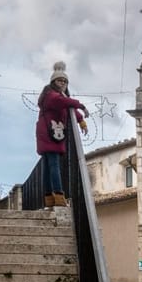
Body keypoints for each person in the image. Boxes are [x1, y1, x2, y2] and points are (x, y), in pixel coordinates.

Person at [36, 61, 89, 207]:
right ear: (54, 82)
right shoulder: (51, 96)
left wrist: (80, 120)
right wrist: (82, 106)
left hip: (50, 132)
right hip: (50, 133)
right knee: (53, 164)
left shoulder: (56, 96)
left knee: (48, 165)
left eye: (65, 81)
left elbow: (67, 108)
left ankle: (49, 198)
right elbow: (64, 102)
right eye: (60, 80)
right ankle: (59, 196)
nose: (63, 83)